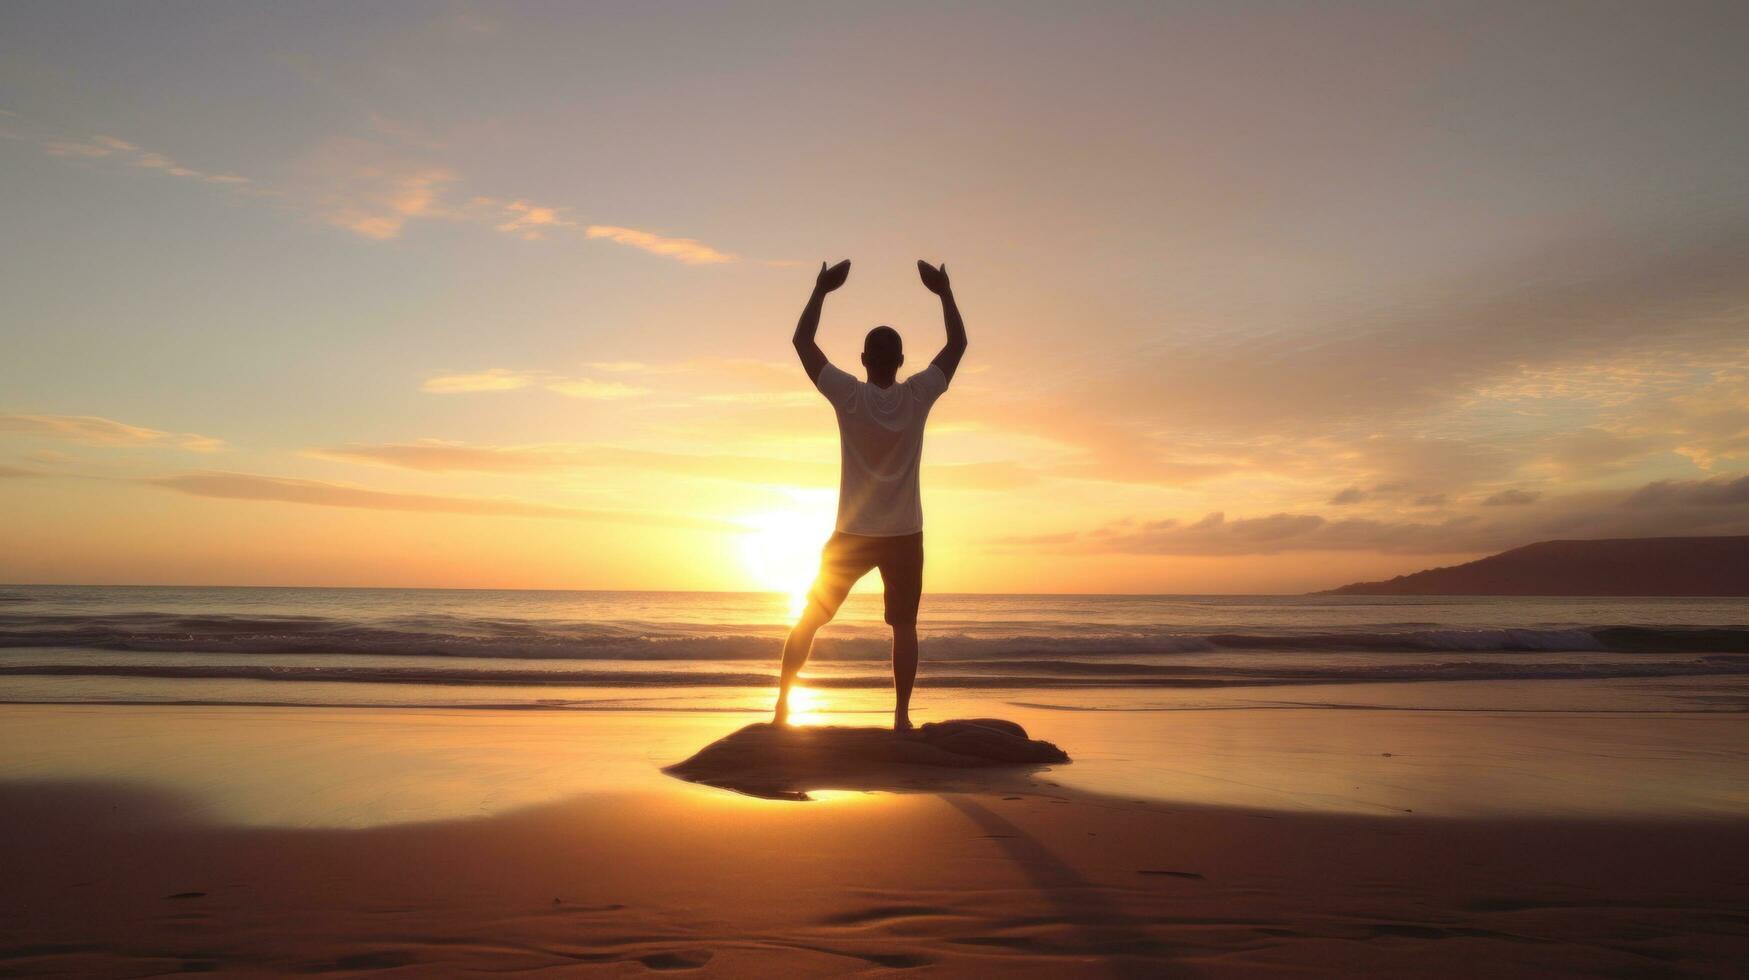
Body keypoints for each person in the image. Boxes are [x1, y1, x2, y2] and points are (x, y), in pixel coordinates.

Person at [773, 259, 968, 731]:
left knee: (812, 615)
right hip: (904, 534)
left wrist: (821, 289)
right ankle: (901, 718)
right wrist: (943, 291)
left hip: (853, 532)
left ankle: (781, 707)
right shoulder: (918, 395)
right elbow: (958, 344)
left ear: (863, 359)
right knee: (903, 626)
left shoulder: (849, 395)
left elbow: (802, 342)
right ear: (900, 361)